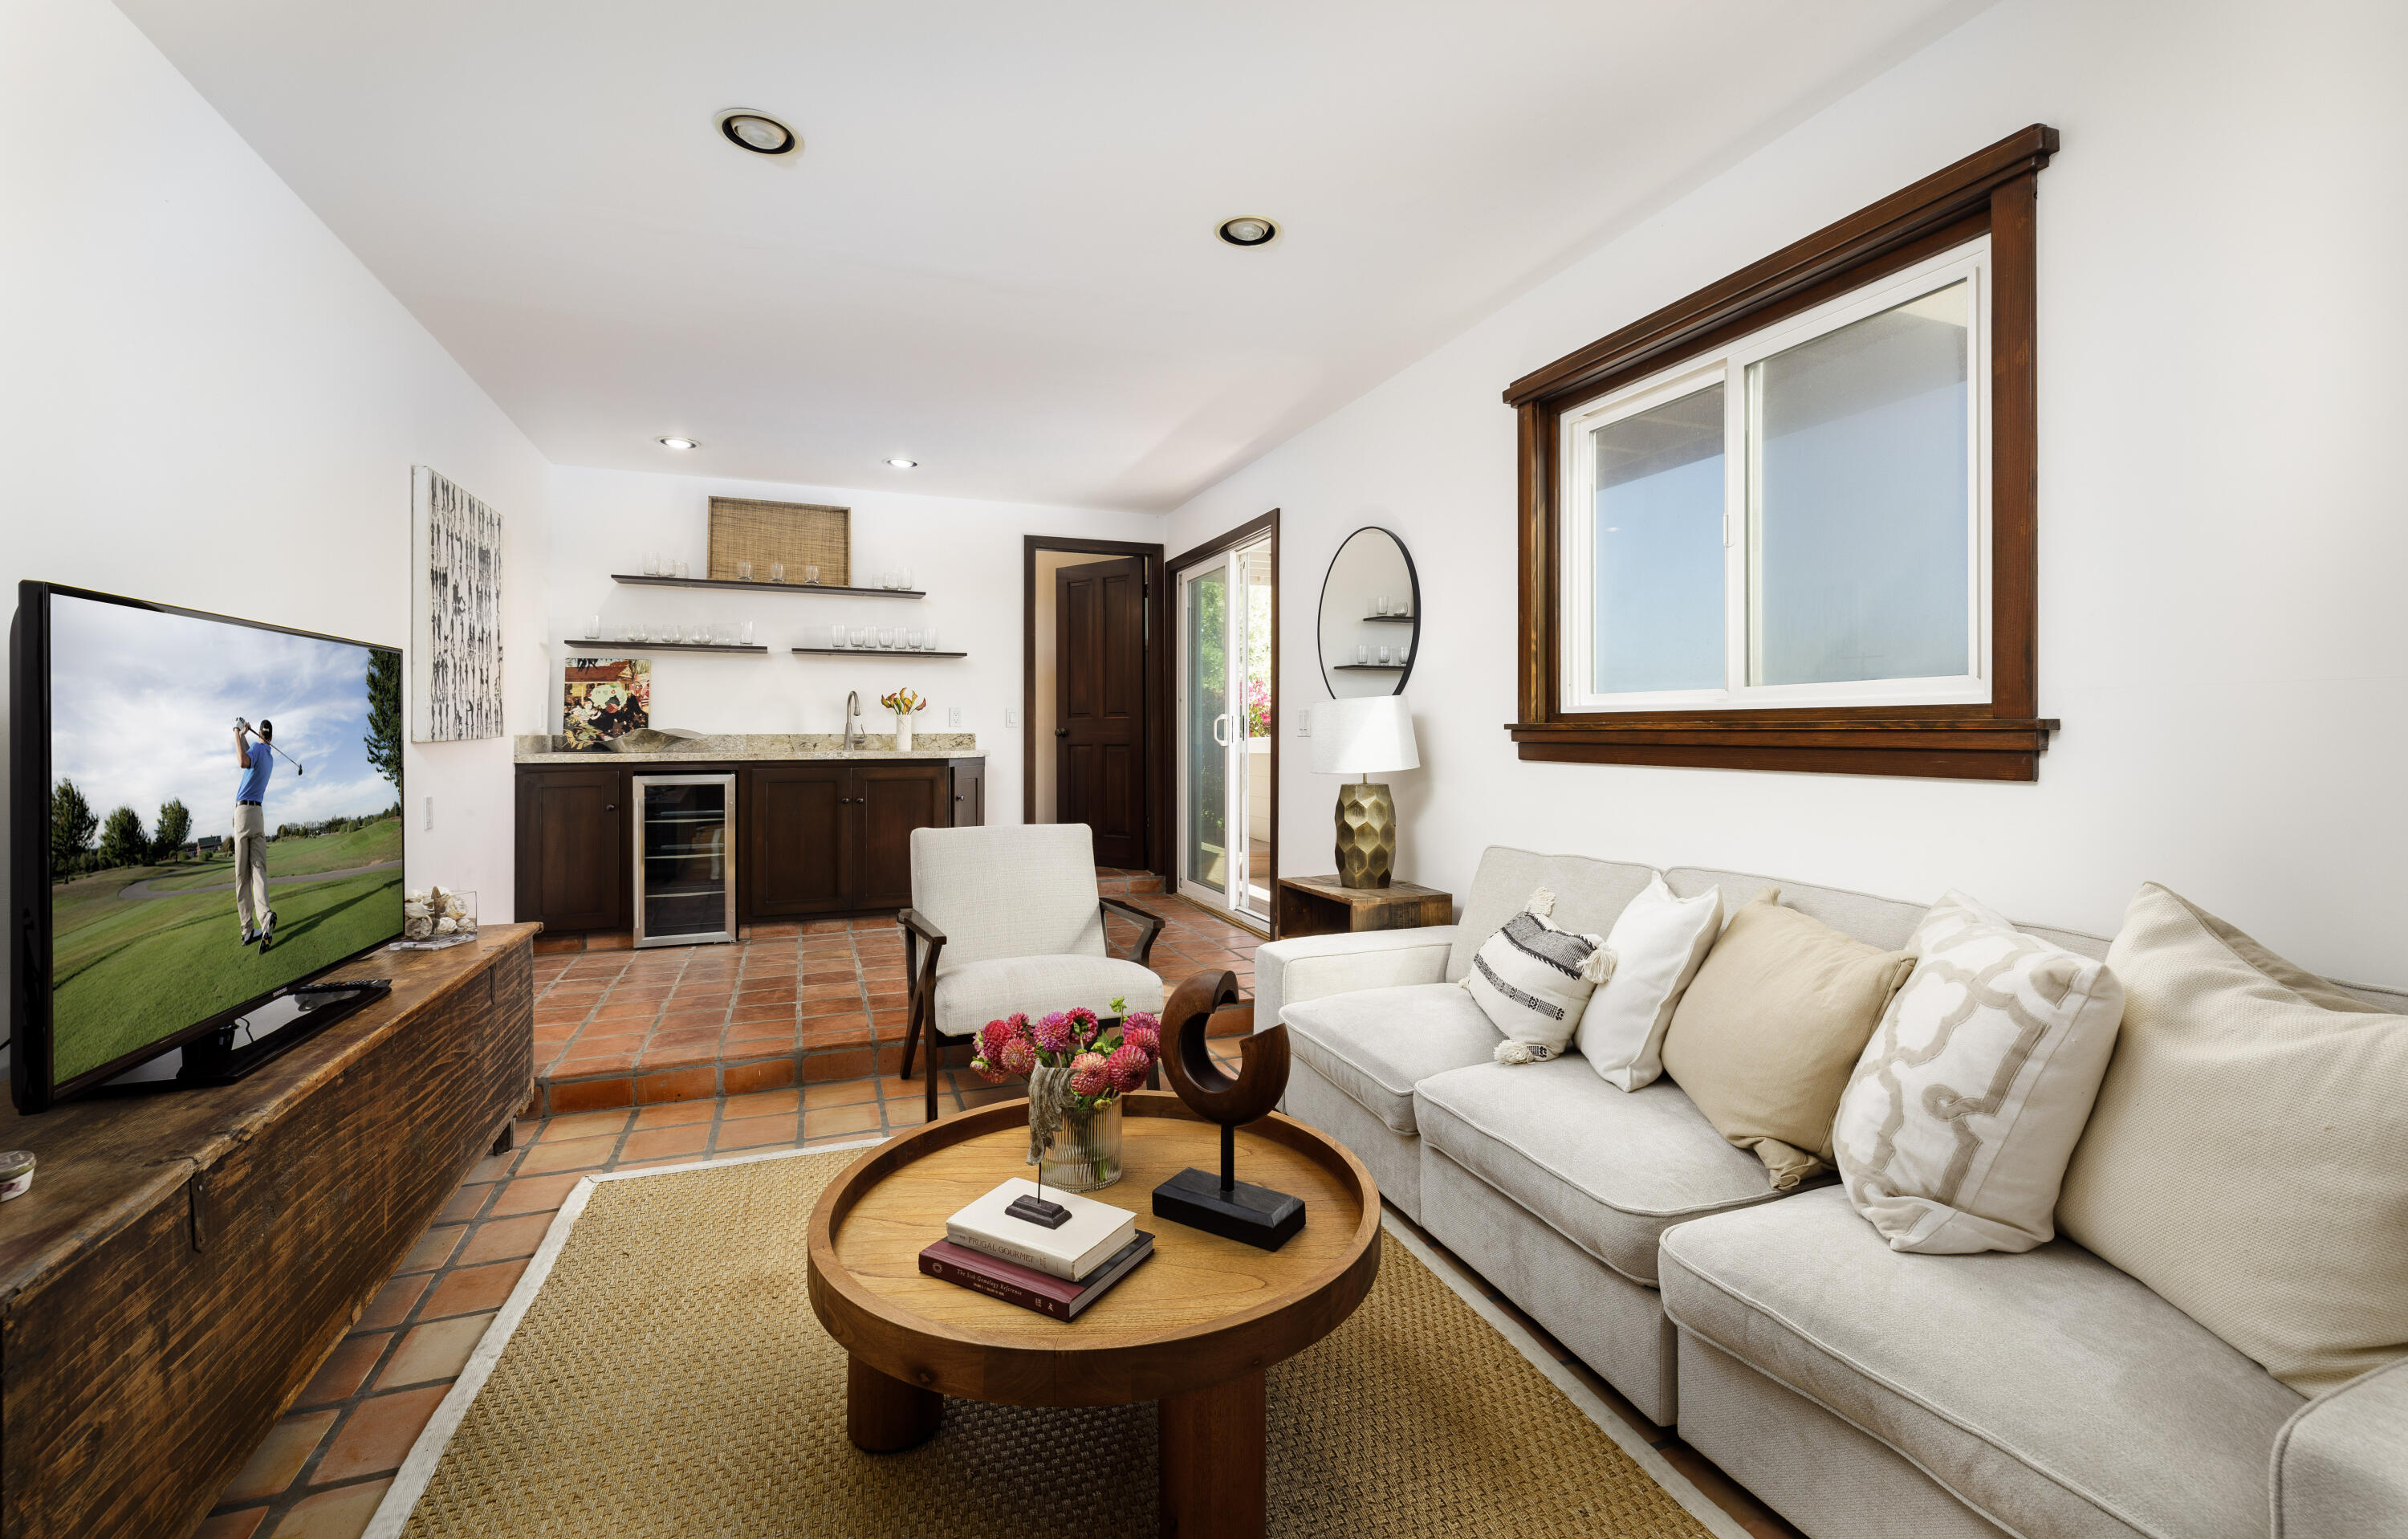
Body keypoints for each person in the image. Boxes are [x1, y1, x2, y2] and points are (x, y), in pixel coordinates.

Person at [233, 719, 277, 951]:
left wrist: (236, 733)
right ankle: (266, 917)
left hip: (243, 815)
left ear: (260, 733)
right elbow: (252, 757)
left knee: (242, 875)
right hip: (258, 815)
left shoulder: (257, 750)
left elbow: (243, 760)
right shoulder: (268, 757)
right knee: (258, 870)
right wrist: (245, 736)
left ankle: (248, 929)